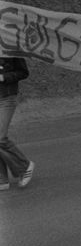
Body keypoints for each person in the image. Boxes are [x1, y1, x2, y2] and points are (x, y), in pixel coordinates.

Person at [0, 55, 33, 191]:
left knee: (0, 138)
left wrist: (4, 77)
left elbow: (23, 72)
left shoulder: (10, 46)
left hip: (7, 98)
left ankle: (24, 167)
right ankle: (2, 180)